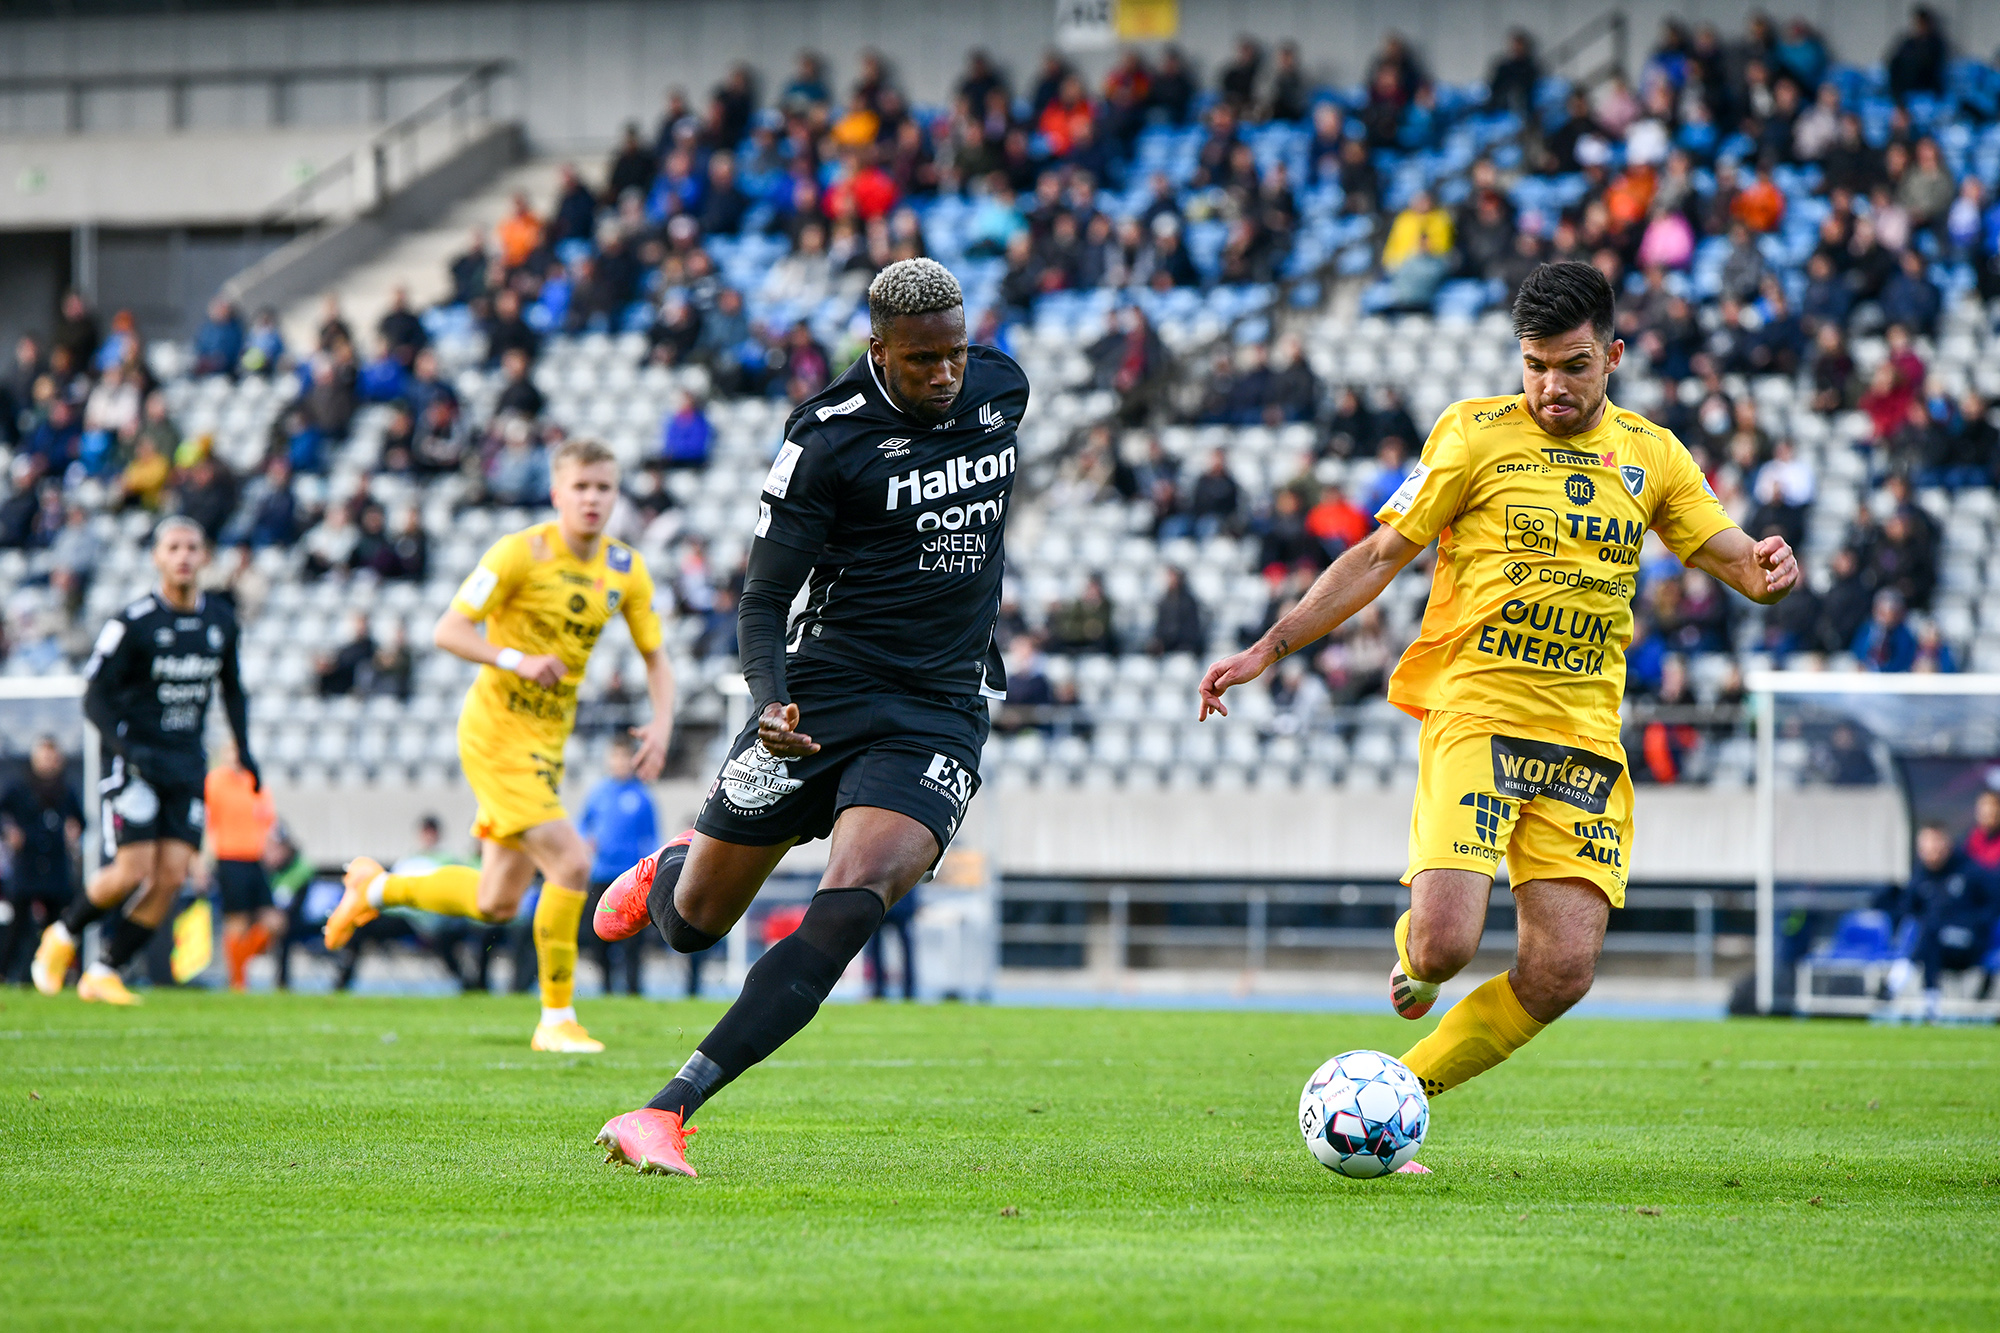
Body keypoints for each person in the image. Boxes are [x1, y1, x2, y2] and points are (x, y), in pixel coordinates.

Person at [1197, 262, 1797, 1164]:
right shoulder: (1472, 434)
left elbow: (1737, 560)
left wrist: (1768, 569)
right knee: (1443, 947)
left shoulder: (1655, 455)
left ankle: (1399, 1093)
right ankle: (1413, 954)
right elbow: (1378, 554)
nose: (1552, 385)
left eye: (1574, 365)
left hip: (1583, 741)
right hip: (1479, 715)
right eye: (1535, 365)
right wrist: (1269, 647)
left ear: (1613, 357)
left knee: (1561, 971)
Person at [591, 259, 1028, 1176]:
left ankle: (665, 1109)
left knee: (853, 900)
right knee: (695, 923)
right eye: (923, 361)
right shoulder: (826, 440)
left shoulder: (1001, 388)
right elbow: (761, 601)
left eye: (954, 353)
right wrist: (768, 701)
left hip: (938, 709)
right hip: (820, 697)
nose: (946, 374)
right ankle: (670, 865)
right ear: (878, 349)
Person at [319, 438, 676, 1053]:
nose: (592, 499)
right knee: (570, 862)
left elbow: (656, 657)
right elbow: (448, 630)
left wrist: (663, 721)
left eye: (603, 488)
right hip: (496, 732)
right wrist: (516, 658)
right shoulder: (519, 552)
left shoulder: (625, 568)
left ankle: (375, 889)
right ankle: (556, 1019)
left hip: (547, 742)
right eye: (581, 487)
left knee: (496, 900)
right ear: (556, 492)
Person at [33, 518, 260, 1004]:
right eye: (173, 547)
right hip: (134, 763)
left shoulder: (221, 620)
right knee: (132, 869)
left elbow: (233, 690)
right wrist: (126, 750)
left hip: (186, 764)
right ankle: (62, 934)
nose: (183, 556)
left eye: (192, 547)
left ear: (205, 556)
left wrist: (246, 750)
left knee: (173, 875)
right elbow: (94, 695)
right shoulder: (133, 622)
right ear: (157, 557)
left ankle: (104, 970)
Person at [1885, 822, 1994, 1021]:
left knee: (1930, 931)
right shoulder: (1920, 876)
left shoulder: (1971, 871)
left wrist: (1975, 924)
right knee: (1928, 932)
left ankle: (1897, 982)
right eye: (1926, 846)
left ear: (1946, 844)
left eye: (1935, 844)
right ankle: (1930, 1002)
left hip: (1968, 941)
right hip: (1934, 943)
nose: (1931, 851)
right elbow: (1906, 908)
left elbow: (1992, 904)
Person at [578, 736, 660, 997]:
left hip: (630, 880)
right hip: (601, 874)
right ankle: (606, 987)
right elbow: (582, 826)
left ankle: (633, 990)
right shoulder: (598, 793)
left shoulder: (642, 796)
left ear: (632, 761)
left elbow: (652, 837)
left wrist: (648, 874)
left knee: (633, 939)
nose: (620, 762)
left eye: (624, 757)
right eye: (615, 757)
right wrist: (586, 841)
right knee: (596, 935)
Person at [0, 737, 83, 985]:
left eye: (53, 757)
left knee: (57, 926)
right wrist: (9, 831)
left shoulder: (66, 790)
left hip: (56, 865)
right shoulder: (19, 788)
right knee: (18, 925)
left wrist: (74, 830)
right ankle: (5, 973)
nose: (49, 762)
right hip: (26, 865)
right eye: (44, 756)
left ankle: (57, 974)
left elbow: (80, 821)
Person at [205, 737, 279, 992]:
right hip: (229, 858)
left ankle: (241, 962)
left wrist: (269, 848)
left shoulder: (255, 782)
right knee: (236, 922)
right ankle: (238, 982)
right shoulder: (215, 782)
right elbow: (208, 821)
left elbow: (267, 819)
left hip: (255, 859)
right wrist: (200, 861)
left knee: (273, 922)